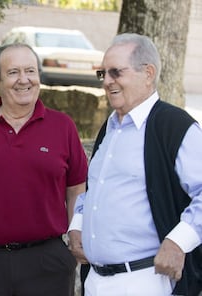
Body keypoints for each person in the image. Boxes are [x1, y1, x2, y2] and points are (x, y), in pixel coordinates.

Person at [68, 33, 202, 296]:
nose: (107, 82)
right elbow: (94, 189)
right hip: (96, 281)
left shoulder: (175, 127)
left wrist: (178, 241)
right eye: (102, 73)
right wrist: (78, 224)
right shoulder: (110, 128)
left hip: (146, 282)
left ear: (148, 73)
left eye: (116, 72)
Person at [0, 43, 88, 296]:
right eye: (13, 72)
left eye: (30, 71)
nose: (23, 80)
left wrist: (74, 240)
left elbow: (76, 190)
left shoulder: (63, 126)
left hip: (48, 262)